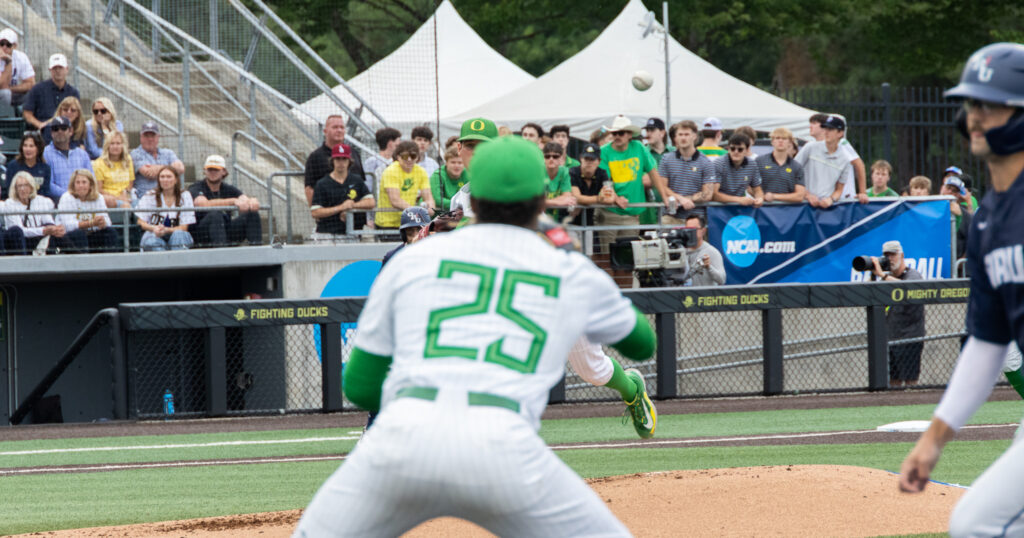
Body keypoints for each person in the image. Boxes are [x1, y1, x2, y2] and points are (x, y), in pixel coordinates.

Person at [293, 135, 655, 537]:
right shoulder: (565, 266)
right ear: (541, 199)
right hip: (504, 454)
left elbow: (359, 387)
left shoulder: (413, 260)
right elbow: (642, 343)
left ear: (472, 199)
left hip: (401, 448)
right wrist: (568, 253)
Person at [897, 42, 1024, 538]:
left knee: (980, 523)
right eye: (971, 103)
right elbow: (988, 343)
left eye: (990, 104)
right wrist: (934, 438)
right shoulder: (989, 219)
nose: (975, 116)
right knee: (978, 523)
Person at [596, 115, 673, 257]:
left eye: (621, 133)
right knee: (608, 258)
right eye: (614, 133)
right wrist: (616, 198)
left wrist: (664, 197)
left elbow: (653, 173)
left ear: (629, 134)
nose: (617, 136)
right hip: (610, 213)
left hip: (633, 213)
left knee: (628, 260)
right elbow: (604, 180)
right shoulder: (604, 151)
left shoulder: (639, 147)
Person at [870, 241, 924, 386]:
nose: (890, 259)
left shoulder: (913, 275)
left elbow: (908, 289)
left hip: (910, 337)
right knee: (893, 381)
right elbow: (872, 296)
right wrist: (873, 275)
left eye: (893, 255)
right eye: (886, 255)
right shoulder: (886, 278)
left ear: (902, 255)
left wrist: (882, 275)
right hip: (891, 337)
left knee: (910, 381)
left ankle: (913, 405)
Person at [188, 155, 262, 247]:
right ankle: (222, 256)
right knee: (215, 214)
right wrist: (233, 201)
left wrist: (252, 201)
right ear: (205, 171)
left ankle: (258, 253)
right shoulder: (196, 187)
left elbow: (244, 199)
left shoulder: (228, 188)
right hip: (201, 234)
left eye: (216, 170)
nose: (212, 172)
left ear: (224, 171)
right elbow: (202, 204)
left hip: (225, 232)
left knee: (252, 215)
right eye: (210, 169)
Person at [309, 143, 375, 243]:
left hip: (351, 233)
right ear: (333, 161)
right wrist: (341, 208)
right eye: (338, 159)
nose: (341, 163)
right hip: (327, 234)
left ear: (349, 161)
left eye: (344, 159)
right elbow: (315, 212)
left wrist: (352, 206)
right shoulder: (322, 183)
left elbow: (370, 202)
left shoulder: (356, 180)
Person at [658, 120, 716, 224]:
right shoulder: (666, 159)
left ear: (694, 136)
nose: (683, 138)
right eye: (680, 134)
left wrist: (687, 199)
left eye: (686, 134)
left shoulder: (706, 162)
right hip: (671, 216)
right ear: (675, 137)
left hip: (696, 218)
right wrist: (681, 199)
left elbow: (707, 194)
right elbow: (662, 187)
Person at [4, 171, 74, 255]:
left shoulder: (41, 200)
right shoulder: (10, 203)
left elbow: (48, 222)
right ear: (15, 188)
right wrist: (43, 230)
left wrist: (55, 229)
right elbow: (21, 231)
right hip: (21, 241)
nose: (22, 189)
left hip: (40, 237)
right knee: (17, 231)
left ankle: (78, 258)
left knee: (58, 233)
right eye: (19, 186)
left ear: (31, 187)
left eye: (26, 185)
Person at [303, 114, 367, 205]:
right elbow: (309, 187)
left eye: (342, 127)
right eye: (335, 127)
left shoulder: (354, 154)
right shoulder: (316, 157)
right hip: (330, 213)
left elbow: (362, 183)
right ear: (325, 131)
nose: (339, 130)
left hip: (355, 213)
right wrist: (317, 211)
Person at [375, 140, 434, 237]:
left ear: (418, 158)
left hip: (410, 224)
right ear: (398, 157)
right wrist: (417, 212)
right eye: (405, 156)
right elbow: (395, 200)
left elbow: (428, 196)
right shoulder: (391, 171)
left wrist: (431, 207)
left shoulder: (421, 171)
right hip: (388, 224)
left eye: (413, 156)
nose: (409, 159)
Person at [794, 115, 851, 209]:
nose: (826, 132)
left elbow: (839, 189)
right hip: (804, 206)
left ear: (840, 133)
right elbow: (792, 172)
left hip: (826, 209)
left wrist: (831, 199)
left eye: (831, 129)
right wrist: (807, 195)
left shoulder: (845, 159)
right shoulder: (810, 147)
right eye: (825, 128)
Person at [809, 113, 868, 204]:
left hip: (844, 198)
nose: (810, 126)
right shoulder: (815, 147)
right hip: (826, 200)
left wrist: (862, 192)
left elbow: (859, 164)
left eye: (814, 123)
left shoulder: (841, 143)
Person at [22, 53, 79, 143]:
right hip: (45, 132)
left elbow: (77, 115)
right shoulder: (37, 89)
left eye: (60, 68)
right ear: (50, 70)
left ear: (66, 69)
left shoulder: (73, 92)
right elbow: (27, 113)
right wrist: (40, 125)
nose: (58, 71)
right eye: (54, 68)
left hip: (67, 130)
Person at [57, 168, 117, 253]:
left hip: (92, 234)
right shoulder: (66, 197)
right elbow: (68, 226)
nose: (81, 185)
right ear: (73, 185)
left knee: (110, 232)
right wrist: (91, 223)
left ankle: (110, 262)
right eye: (78, 182)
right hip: (70, 237)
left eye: (84, 182)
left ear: (91, 185)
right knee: (79, 234)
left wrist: (102, 222)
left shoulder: (98, 197)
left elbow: (108, 222)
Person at [136, 166, 195, 251]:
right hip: (154, 235)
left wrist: (167, 230)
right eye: (162, 177)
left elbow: (184, 227)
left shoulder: (185, 195)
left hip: (175, 235)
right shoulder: (150, 195)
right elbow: (140, 222)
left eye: (169, 177)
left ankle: (179, 263)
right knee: (151, 242)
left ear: (176, 180)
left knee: (179, 235)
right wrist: (154, 228)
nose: (165, 180)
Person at [42, 116, 92, 201]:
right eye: (55, 129)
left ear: (71, 131)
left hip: (83, 199)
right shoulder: (45, 153)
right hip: (59, 202)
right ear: (51, 133)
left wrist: (82, 193)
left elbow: (91, 178)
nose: (60, 131)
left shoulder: (82, 154)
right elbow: (48, 184)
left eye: (64, 128)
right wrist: (69, 195)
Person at [129, 121, 184, 199]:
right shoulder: (135, 154)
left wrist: (157, 168)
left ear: (158, 137)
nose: (150, 139)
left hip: (169, 197)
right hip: (146, 197)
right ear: (141, 137)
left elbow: (181, 168)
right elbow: (148, 173)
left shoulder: (168, 153)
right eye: (146, 136)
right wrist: (171, 169)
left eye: (153, 136)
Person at [712, 133, 764, 207]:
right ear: (728, 149)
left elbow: (757, 189)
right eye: (732, 149)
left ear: (746, 150)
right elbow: (713, 194)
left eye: (740, 149)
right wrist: (739, 200)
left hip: (739, 208)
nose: (736, 152)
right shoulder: (719, 163)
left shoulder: (752, 164)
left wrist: (760, 198)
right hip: (719, 208)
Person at [757, 127, 807, 203]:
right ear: (772, 142)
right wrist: (761, 196)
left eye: (784, 138)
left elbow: (799, 196)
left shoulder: (797, 166)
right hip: (763, 209)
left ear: (790, 143)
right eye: (777, 138)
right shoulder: (759, 161)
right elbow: (750, 187)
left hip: (787, 210)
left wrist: (774, 196)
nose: (780, 141)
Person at [568, 143, 613, 227]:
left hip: (589, 220)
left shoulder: (602, 173)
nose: (589, 162)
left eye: (592, 159)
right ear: (581, 159)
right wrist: (599, 198)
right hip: (569, 219)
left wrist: (582, 202)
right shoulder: (573, 172)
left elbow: (610, 199)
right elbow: (576, 197)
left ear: (599, 161)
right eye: (586, 159)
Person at [92, 130, 135, 208]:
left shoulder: (128, 159)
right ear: (107, 146)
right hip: (109, 199)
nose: (115, 146)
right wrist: (118, 198)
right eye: (112, 143)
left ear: (123, 145)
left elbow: (130, 182)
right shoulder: (98, 163)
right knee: (126, 207)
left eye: (118, 143)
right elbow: (99, 190)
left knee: (141, 205)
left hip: (126, 195)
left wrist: (126, 194)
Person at [3, 132, 51, 200]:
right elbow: (9, 190)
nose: (28, 149)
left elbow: (46, 193)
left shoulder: (45, 168)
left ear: (38, 148)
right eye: (25, 145)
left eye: (31, 146)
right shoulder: (13, 166)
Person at [685, 214, 725, 286]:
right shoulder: (680, 251)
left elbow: (722, 279)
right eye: (688, 229)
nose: (690, 232)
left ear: (703, 231)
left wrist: (709, 267)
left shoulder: (712, 252)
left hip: (704, 296)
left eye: (694, 229)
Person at [0, 28, 36, 107]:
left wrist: (12, 89)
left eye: (8, 44)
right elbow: (2, 86)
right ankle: (5, 118)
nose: (4, 47)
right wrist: (8, 62)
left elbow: (30, 83)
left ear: (14, 46)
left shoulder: (21, 57)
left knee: (34, 95)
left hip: (12, 93)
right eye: (1, 44)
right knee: (5, 94)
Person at [362, 127, 401, 198]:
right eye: (397, 144)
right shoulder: (372, 161)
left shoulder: (399, 161)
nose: (399, 146)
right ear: (390, 143)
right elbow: (368, 185)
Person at [541, 142, 575, 212]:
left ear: (561, 158)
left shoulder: (564, 172)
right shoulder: (537, 172)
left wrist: (547, 202)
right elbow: (534, 201)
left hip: (556, 217)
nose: (551, 159)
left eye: (555, 157)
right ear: (543, 158)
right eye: (547, 156)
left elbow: (567, 196)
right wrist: (558, 202)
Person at [429, 146, 465, 212]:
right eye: (453, 162)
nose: (456, 166)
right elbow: (437, 200)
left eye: (460, 163)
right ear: (446, 163)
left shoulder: (467, 174)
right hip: (438, 214)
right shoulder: (437, 175)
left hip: (458, 211)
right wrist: (461, 204)